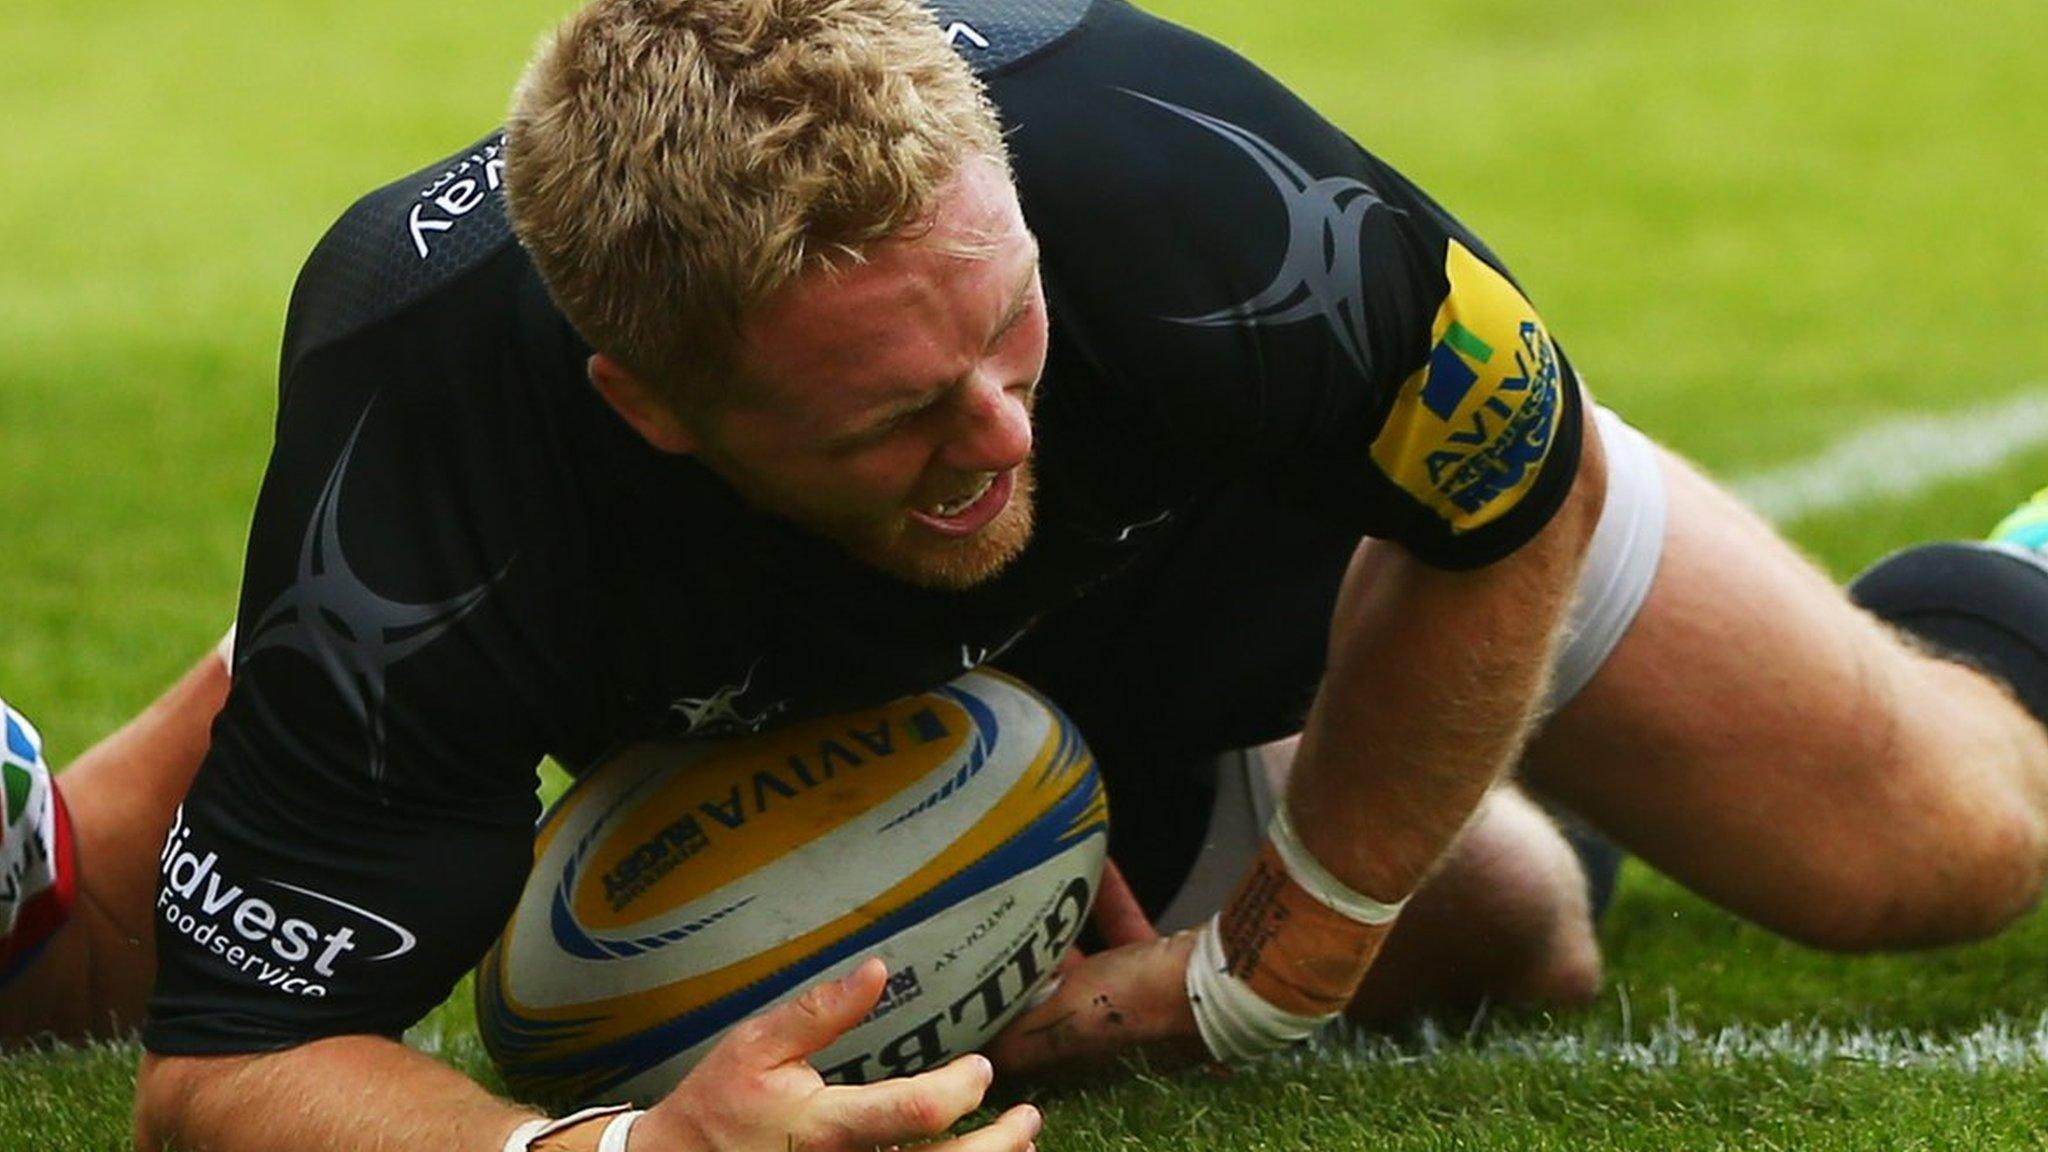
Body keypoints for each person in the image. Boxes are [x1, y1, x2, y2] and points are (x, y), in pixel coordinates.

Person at [6, 0, 2048, 1148]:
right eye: (895, 411)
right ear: (651, 405)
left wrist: (1281, 960)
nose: (1000, 433)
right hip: (827, 689)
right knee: (1512, 928)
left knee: (1937, 851)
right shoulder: (429, 432)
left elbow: (1505, 504)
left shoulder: (1209, 195)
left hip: (1280, 523)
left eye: (1009, 332)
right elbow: (222, 1085)